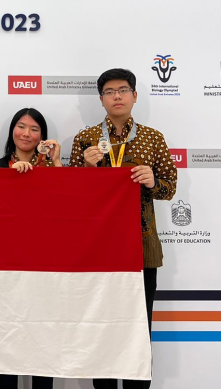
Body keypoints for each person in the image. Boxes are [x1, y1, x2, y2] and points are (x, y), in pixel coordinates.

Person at [69, 68, 177, 389]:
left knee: (138, 328)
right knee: (102, 327)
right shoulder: (85, 138)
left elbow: (169, 188)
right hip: (99, 250)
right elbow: (72, 197)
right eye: (110, 91)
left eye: (123, 90)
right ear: (101, 99)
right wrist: (87, 170)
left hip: (142, 247)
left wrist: (153, 181)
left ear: (134, 96)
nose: (117, 96)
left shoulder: (152, 138)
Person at [0, 107, 60, 389]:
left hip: (45, 267)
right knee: (7, 338)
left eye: (34, 129)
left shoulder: (53, 169)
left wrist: (52, 165)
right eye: (21, 126)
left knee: (43, 338)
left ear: (43, 135)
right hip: (4, 268)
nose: (26, 133)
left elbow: (69, 207)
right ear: (12, 131)